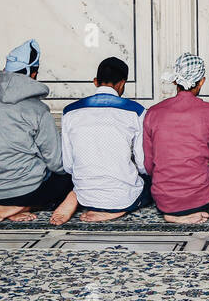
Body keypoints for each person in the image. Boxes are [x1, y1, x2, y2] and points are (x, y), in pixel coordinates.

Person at [0, 39, 77, 223]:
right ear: (32, 74)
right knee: (73, 178)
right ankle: (21, 206)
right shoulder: (37, 110)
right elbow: (57, 164)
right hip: (28, 191)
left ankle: (10, 207)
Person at [144, 53, 209, 223]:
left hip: (164, 200)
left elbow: (149, 165)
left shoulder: (153, 113)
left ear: (175, 81)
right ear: (201, 82)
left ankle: (173, 216)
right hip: (201, 198)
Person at [59, 57, 149, 223]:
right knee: (150, 183)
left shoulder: (69, 112)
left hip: (85, 193)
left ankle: (75, 196)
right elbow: (143, 165)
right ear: (122, 83)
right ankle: (115, 209)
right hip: (122, 196)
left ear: (95, 82)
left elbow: (68, 166)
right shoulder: (136, 112)